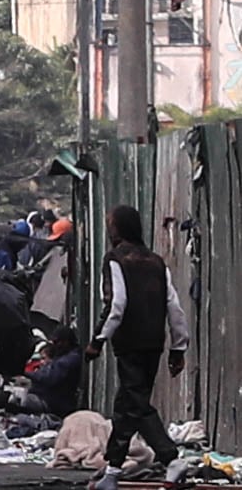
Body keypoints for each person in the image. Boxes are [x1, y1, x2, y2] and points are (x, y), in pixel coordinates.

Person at [86, 205, 189, 490]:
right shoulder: (156, 261)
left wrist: (97, 340)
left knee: (136, 403)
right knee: (127, 404)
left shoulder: (115, 259)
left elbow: (116, 305)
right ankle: (113, 471)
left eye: (111, 224)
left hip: (129, 344)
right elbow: (174, 306)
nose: (109, 229)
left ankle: (171, 459)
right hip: (153, 344)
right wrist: (178, 347)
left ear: (118, 228)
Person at [0, 326, 81, 418]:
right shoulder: (64, 356)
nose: (54, 345)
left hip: (52, 403)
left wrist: (23, 372)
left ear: (65, 342)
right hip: (47, 397)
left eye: (57, 342)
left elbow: (48, 377)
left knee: (7, 399)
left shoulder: (69, 360)